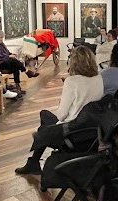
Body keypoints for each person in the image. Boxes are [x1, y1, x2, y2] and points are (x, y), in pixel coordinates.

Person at [15, 45, 104, 174]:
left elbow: (61, 115)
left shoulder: (72, 81)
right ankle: (34, 158)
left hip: (73, 132)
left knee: (44, 122)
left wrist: (63, 101)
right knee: (44, 119)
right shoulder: (99, 78)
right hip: (91, 132)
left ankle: (34, 161)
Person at [0, 30, 38, 94]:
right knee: (13, 61)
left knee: (15, 66)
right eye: (0, 37)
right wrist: (8, 56)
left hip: (6, 62)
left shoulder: (1, 44)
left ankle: (18, 87)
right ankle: (26, 71)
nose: (2, 39)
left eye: (2, 37)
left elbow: (7, 52)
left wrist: (11, 54)